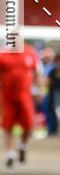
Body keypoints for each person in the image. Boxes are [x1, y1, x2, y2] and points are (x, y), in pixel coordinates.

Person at [0, 34, 39, 165]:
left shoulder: (29, 52)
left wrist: (37, 90)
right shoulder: (3, 56)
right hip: (8, 97)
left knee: (28, 124)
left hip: (25, 96)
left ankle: (22, 145)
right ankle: (10, 153)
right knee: (7, 125)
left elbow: (36, 72)